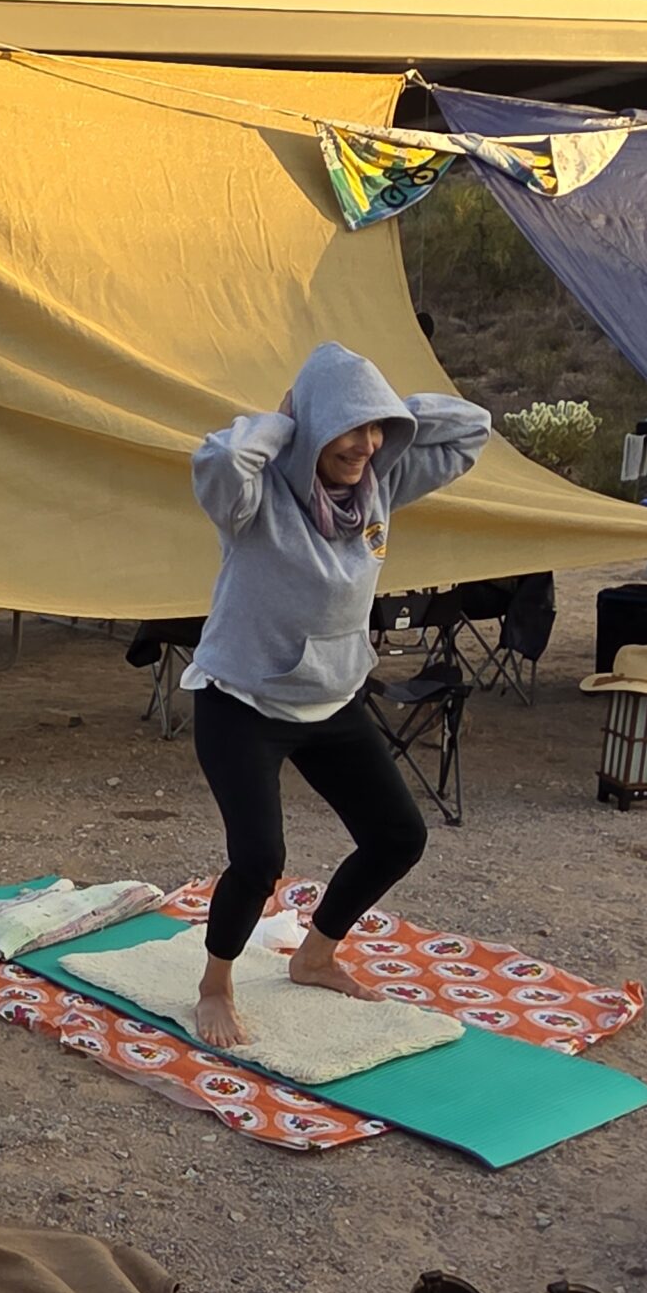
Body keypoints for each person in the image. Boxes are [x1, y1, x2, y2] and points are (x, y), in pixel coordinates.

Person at [183, 343, 490, 1051]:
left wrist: (386, 414)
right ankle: (214, 985)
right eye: (348, 428)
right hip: (242, 701)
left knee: (398, 837)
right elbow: (221, 459)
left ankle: (314, 956)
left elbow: (471, 429)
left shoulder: (380, 482)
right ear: (312, 426)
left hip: (332, 699)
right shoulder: (253, 499)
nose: (365, 444)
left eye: (373, 429)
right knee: (259, 858)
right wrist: (288, 424)